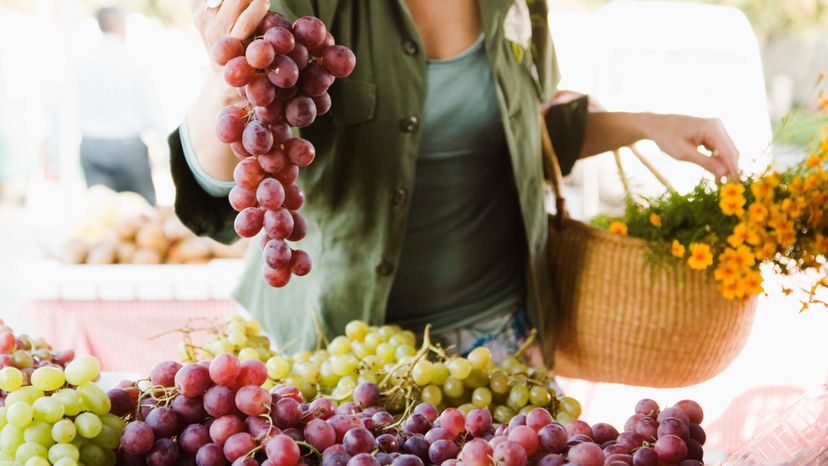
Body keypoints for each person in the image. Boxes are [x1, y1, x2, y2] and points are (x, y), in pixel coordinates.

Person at [171, 0, 740, 362]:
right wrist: (226, 86)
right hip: (338, 354)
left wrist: (648, 125)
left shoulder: (517, 5)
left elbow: (527, 133)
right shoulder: (305, 7)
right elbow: (219, 188)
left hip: (500, 341)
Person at [75, 7, 158, 205]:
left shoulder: (84, 63)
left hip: (92, 145)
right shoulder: (133, 62)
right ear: (120, 25)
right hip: (128, 147)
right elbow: (152, 109)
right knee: (143, 213)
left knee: (102, 214)